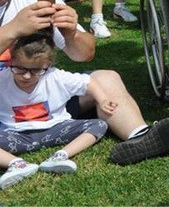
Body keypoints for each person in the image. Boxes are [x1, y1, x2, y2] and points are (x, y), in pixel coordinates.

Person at [0, 0, 169, 166]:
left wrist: (71, 33)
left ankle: (140, 136)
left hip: (46, 100)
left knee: (105, 79)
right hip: (5, 108)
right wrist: (11, 30)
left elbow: (85, 54)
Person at [0, 32, 113, 189]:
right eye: (20, 69)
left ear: (47, 65)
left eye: (35, 70)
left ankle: (60, 156)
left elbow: (87, 82)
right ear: (10, 61)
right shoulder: (2, 78)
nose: (26, 76)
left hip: (56, 130)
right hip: (16, 135)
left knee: (99, 125)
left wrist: (103, 99)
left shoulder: (55, 77)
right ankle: (16, 164)